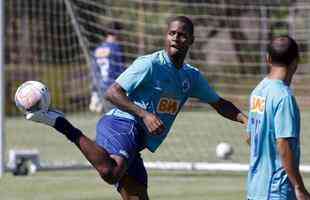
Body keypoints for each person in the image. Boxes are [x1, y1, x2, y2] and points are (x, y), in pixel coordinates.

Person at [25, 16, 247, 200]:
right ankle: (60, 123)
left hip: (136, 140)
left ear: (191, 40)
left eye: (182, 35)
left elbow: (219, 104)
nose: (176, 38)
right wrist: (145, 114)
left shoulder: (191, 76)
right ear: (166, 35)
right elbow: (112, 92)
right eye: (172, 33)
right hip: (121, 124)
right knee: (111, 172)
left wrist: (247, 121)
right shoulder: (149, 63)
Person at [246, 36, 310, 200]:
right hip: (276, 190)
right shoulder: (284, 97)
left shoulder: (258, 91)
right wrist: (299, 187)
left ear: (267, 58)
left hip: (255, 188)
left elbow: (250, 137)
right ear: (296, 62)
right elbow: (283, 144)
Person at [89, 21, 125, 113]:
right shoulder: (116, 48)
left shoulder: (98, 49)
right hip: (113, 86)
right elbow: (120, 69)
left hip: (100, 86)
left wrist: (94, 90)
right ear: (117, 32)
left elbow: (94, 71)